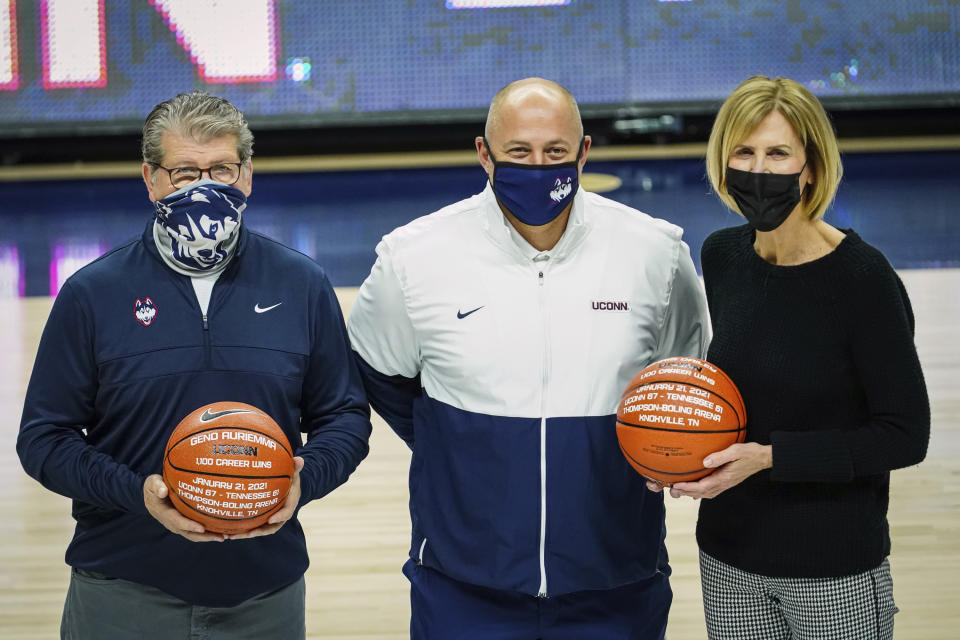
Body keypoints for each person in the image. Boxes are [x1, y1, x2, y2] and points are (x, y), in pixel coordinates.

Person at [347, 77, 709, 639]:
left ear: (584, 152)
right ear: (483, 154)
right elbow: (376, 370)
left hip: (615, 583)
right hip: (462, 587)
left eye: (555, 152)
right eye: (519, 152)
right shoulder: (413, 258)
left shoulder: (656, 254)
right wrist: (458, 444)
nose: (538, 167)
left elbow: (681, 377)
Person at [17, 92, 372, 639]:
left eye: (221, 170)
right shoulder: (92, 293)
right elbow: (43, 438)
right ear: (151, 179)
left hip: (264, 592)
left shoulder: (301, 285)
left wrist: (306, 479)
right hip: (120, 586)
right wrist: (138, 494)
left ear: (247, 176)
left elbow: (344, 417)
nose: (204, 187)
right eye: (184, 172)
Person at [655, 76, 930, 639]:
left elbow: (904, 434)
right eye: (744, 152)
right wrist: (679, 449)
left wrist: (770, 458)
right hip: (728, 556)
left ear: (810, 167)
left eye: (779, 153)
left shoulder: (862, 279)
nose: (759, 170)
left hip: (833, 569)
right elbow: (735, 398)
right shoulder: (724, 256)